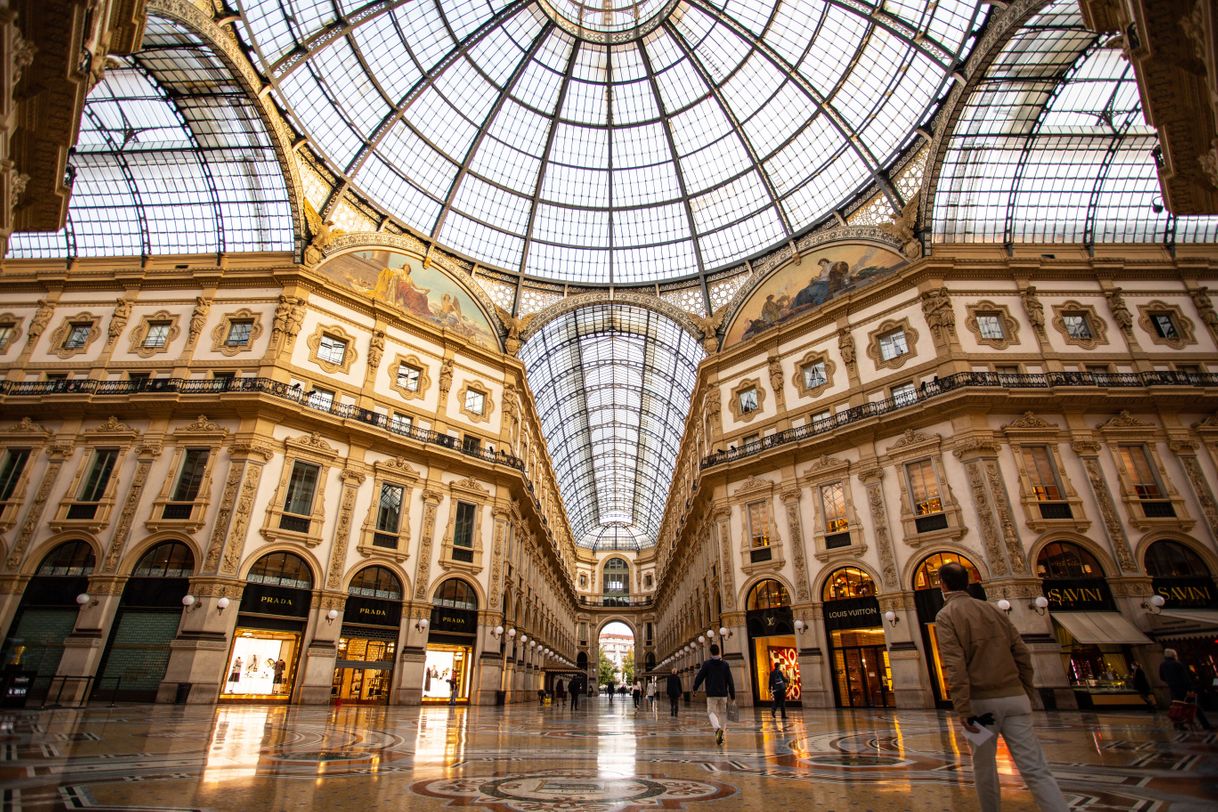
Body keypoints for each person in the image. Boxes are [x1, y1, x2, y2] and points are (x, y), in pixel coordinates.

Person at [934, 562, 1068, 812]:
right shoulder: (994, 610)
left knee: (984, 767)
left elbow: (955, 665)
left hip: (981, 707)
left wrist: (963, 708)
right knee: (1035, 767)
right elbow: (1022, 654)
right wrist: (1026, 692)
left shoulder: (946, 616)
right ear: (969, 582)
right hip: (1015, 698)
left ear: (942, 584)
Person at [692, 643, 735, 745]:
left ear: (710, 652)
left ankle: (717, 729)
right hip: (723, 694)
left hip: (711, 694)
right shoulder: (725, 664)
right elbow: (730, 680)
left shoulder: (707, 664)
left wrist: (695, 688)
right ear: (719, 651)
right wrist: (732, 694)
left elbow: (700, 677)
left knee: (711, 712)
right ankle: (721, 734)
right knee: (723, 713)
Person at [1160, 648, 1213, 730]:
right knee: (1195, 707)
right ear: (1174, 655)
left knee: (1178, 707)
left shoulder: (1162, 665)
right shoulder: (1177, 664)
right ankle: (1206, 725)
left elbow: (1162, 677)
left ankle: (1178, 725)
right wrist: (1190, 689)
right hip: (1183, 689)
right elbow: (1185, 678)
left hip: (1173, 690)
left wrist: (1170, 682)